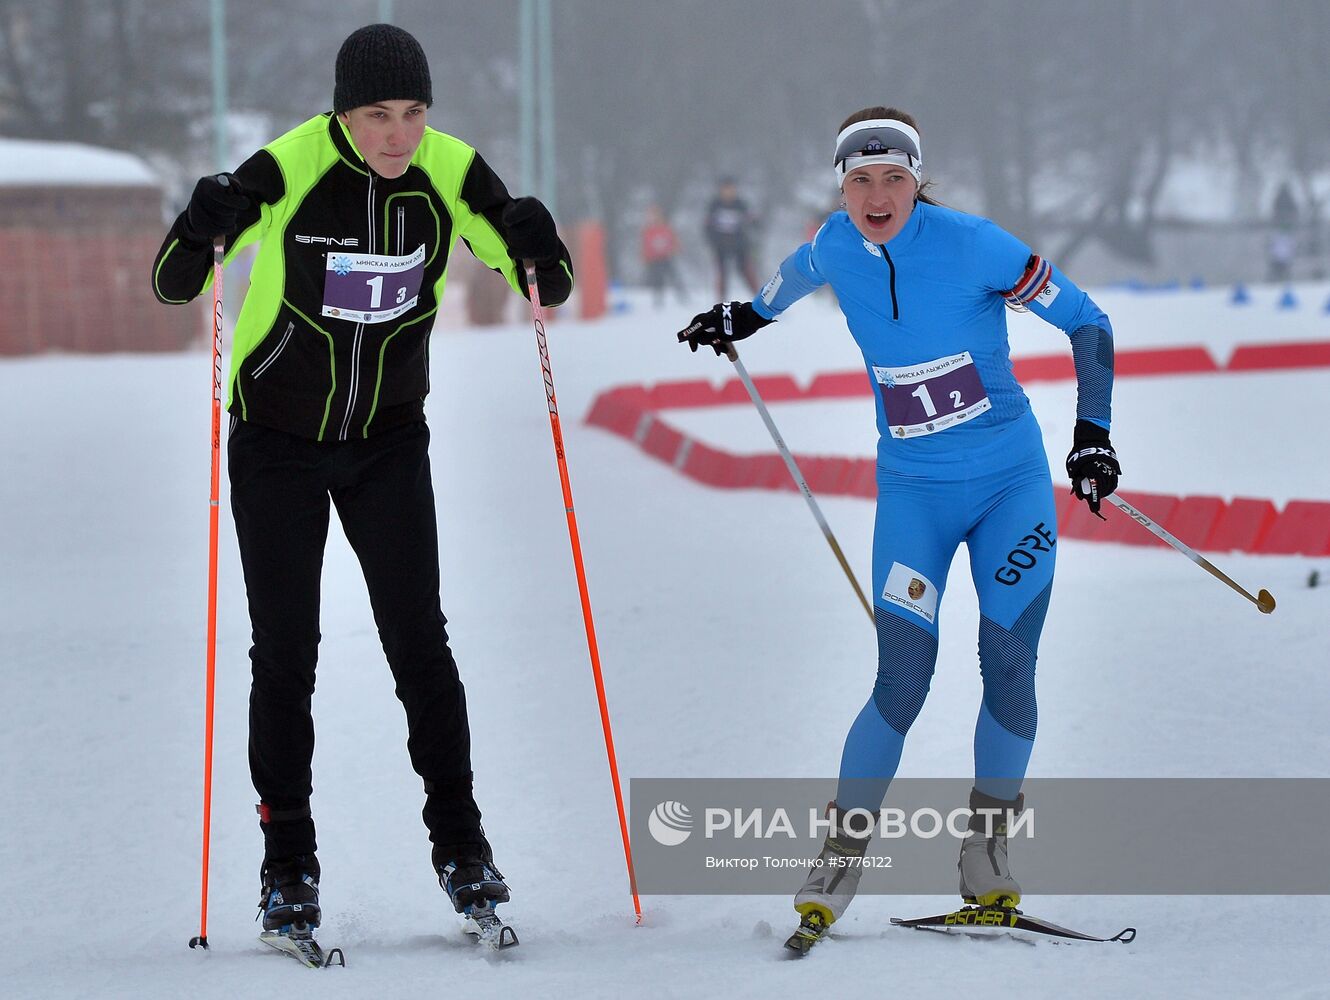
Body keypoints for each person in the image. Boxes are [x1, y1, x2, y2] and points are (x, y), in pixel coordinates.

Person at [151, 23, 573, 937]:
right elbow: (176, 285)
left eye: (414, 113)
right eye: (379, 115)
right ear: (344, 112)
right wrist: (199, 225)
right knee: (286, 652)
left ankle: (465, 850)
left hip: (386, 442)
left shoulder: (451, 169)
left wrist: (541, 245)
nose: (398, 135)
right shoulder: (291, 163)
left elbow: (542, 279)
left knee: (420, 642)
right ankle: (287, 866)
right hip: (277, 441)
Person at [677, 107, 1120, 937]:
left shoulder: (976, 243)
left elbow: (1088, 322)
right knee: (902, 675)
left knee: (1009, 659)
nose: (877, 194)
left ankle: (988, 858)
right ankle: (840, 858)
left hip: (1009, 487)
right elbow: (777, 290)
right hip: (914, 492)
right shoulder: (832, 245)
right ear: (840, 185)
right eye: (859, 179)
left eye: (893, 177)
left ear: (918, 179)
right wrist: (737, 320)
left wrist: (1092, 437)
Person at [703, 176, 760, 301]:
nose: (728, 192)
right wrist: (711, 240)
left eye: (731, 189)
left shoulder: (740, 204)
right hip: (721, 244)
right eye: (725, 189)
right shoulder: (715, 205)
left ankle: (761, 300)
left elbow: (752, 220)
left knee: (746, 271)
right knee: (722, 274)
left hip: (739, 244)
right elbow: (707, 225)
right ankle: (721, 303)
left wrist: (754, 224)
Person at [640, 204, 687, 308]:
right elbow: (645, 245)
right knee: (658, 279)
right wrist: (645, 256)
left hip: (667, 257)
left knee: (674, 276)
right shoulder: (648, 230)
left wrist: (676, 248)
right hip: (655, 259)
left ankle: (682, 296)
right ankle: (658, 299)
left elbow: (674, 239)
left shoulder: (666, 228)